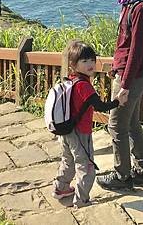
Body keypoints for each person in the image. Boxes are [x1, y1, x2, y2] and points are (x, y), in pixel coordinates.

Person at [96, 0, 143, 191]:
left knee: (116, 125)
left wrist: (124, 85)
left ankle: (122, 175)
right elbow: (125, 44)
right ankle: (142, 172)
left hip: (131, 76)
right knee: (130, 123)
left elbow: (136, 51)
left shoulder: (141, 8)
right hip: (127, 73)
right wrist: (116, 69)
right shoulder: (130, 3)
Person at [53, 40, 128, 208]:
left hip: (65, 130)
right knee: (86, 166)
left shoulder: (69, 80)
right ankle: (81, 199)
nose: (90, 64)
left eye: (92, 60)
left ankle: (60, 188)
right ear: (73, 64)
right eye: (85, 61)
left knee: (68, 161)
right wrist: (118, 101)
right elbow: (101, 106)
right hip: (80, 132)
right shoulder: (85, 86)